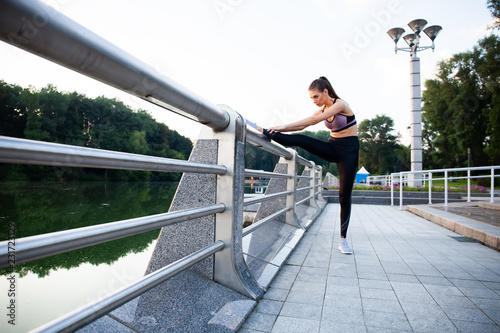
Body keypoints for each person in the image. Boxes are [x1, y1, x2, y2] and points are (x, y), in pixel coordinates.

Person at [261, 76, 359, 254]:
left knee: (344, 195)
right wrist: (281, 127)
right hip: (332, 147)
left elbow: (313, 121)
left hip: (349, 152)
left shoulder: (340, 104)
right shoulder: (323, 108)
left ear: (326, 92)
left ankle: (343, 239)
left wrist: (282, 126)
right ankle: (269, 134)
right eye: (311, 98)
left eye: (315, 97)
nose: (314, 101)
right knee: (302, 140)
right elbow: (302, 125)